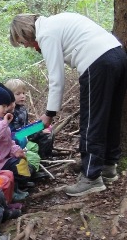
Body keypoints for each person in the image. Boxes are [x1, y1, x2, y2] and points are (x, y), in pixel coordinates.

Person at [9, 12, 127, 196]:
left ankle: (91, 177)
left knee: (91, 121)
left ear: (25, 32)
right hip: (117, 55)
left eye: (23, 42)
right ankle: (108, 165)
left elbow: (56, 78)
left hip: (96, 62)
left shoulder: (45, 34)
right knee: (110, 115)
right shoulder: (55, 23)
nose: (27, 46)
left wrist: (49, 114)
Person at [0, 85, 33, 192]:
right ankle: (16, 188)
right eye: (3, 106)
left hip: (6, 158)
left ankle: (19, 186)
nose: (6, 109)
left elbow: (8, 140)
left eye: (7, 106)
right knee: (18, 166)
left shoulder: (1, 120)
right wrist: (4, 123)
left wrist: (16, 150)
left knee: (24, 164)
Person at [5, 78, 53, 164]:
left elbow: (25, 125)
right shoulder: (10, 111)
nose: (22, 96)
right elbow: (16, 132)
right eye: (18, 94)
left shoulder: (23, 108)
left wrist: (36, 127)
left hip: (24, 134)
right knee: (45, 135)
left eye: (23, 93)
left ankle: (46, 155)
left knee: (48, 130)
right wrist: (38, 129)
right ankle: (42, 159)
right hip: (17, 137)